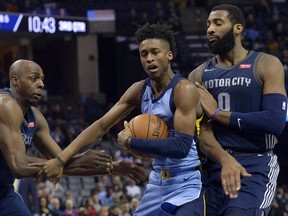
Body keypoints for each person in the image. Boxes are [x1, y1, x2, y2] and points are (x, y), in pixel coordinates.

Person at [35, 23, 205, 215]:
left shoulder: (184, 90)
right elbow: (100, 126)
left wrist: (132, 142)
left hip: (186, 182)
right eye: (144, 54)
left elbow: (181, 147)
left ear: (169, 55)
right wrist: (61, 159)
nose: (149, 58)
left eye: (155, 52)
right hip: (157, 182)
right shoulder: (139, 89)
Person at [0, 59, 147, 216]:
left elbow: (60, 164)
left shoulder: (35, 117)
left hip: (4, 193)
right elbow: (19, 166)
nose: (41, 84)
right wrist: (76, 160)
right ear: (15, 80)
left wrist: (110, 168)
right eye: (34, 78)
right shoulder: (4, 105)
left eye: (42, 79)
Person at [188, 4, 287, 216]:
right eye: (207, 25)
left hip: (255, 165)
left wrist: (218, 114)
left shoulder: (266, 64)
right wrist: (225, 159)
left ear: (238, 28)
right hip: (213, 166)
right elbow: (202, 132)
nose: (210, 29)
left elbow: (275, 121)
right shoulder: (198, 75)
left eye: (217, 23)